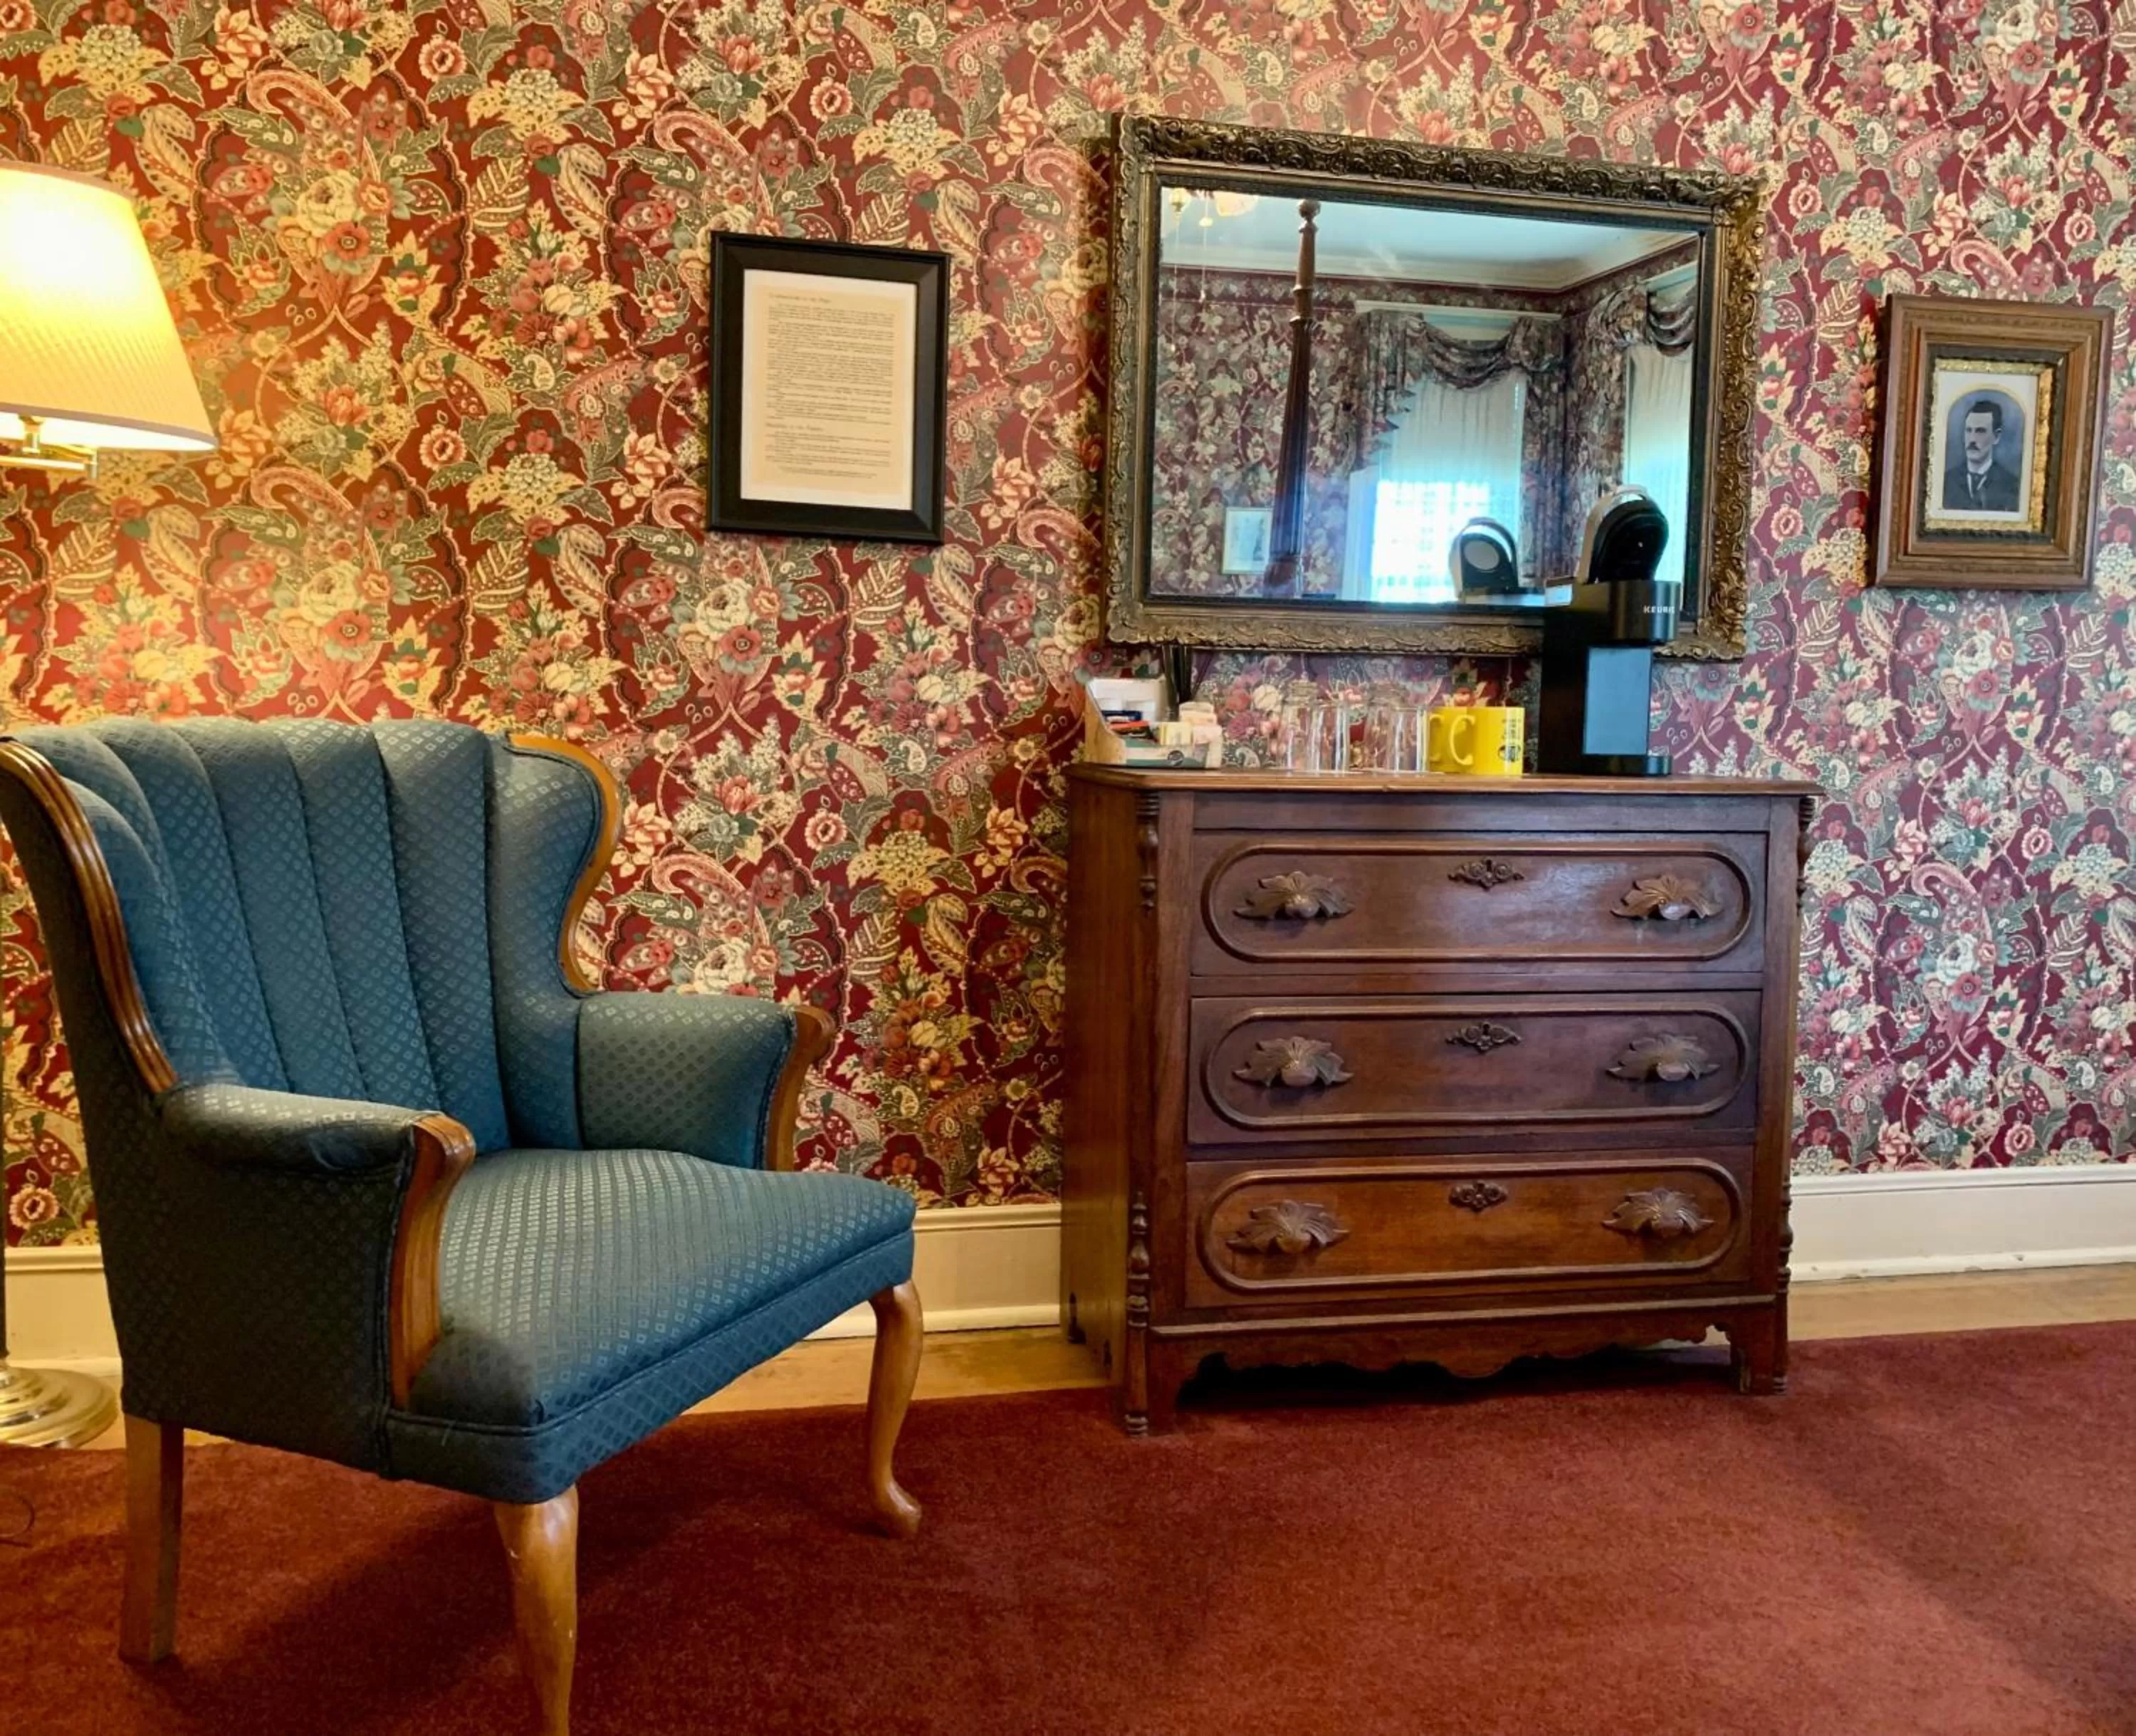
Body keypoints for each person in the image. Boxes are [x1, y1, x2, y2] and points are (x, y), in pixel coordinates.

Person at [1941, 396, 2021, 513]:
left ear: (1997, 437)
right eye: (1969, 430)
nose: (1972, 439)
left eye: (1980, 431)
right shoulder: (1946, 481)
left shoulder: (2012, 486)